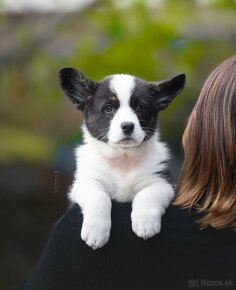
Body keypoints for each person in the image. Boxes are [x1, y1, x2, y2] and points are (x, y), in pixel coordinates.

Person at [17, 56, 236, 290]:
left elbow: (161, 187)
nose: (127, 121)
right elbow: (85, 187)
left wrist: (147, 205)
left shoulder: (70, 233)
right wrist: (97, 204)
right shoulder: (90, 166)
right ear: (84, 101)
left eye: (139, 107)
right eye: (110, 108)